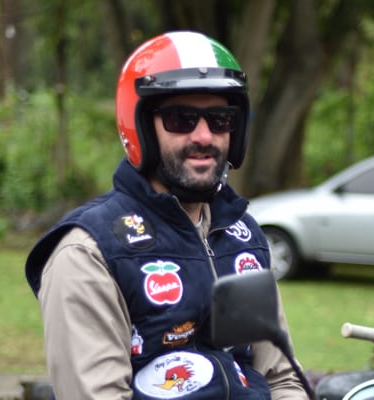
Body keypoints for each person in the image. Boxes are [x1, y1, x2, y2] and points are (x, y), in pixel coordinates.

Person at [25, 31, 309, 400]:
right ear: (141, 127)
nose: (204, 136)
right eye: (181, 118)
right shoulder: (89, 252)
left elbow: (282, 379)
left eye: (220, 119)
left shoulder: (242, 237)